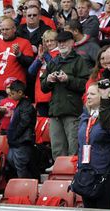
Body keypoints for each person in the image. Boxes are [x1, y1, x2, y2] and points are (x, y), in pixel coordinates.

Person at [41, 30, 90, 158]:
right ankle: (58, 171)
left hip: (72, 110)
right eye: (60, 42)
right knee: (57, 147)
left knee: (73, 146)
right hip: (55, 110)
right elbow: (43, 87)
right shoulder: (53, 61)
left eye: (65, 42)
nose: (62, 45)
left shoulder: (79, 61)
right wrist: (49, 80)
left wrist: (68, 79)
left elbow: (86, 85)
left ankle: (73, 173)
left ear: (72, 43)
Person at [77, 83, 110, 208]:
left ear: (103, 96)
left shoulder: (109, 118)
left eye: (92, 94)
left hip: (103, 172)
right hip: (85, 172)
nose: (88, 97)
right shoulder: (85, 117)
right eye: (87, 94)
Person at [5, 79, 37, 178]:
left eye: (13, 94)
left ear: (20, 92)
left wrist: (15, 134)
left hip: (22, 141)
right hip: (16, 141)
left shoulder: (26, 105)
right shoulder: (20, 105)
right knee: (12, 161)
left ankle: (25, 186)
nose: (11, 96)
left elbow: (24, 122)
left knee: (20, 164)